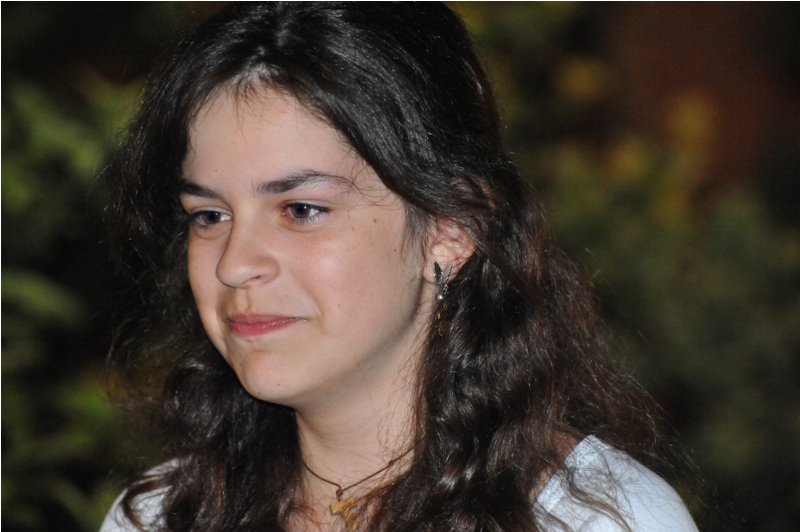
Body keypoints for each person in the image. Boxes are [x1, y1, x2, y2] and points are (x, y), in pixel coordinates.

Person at [101, 3, 699, 531]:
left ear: (452, 228)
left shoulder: (600, 521)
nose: (234, 265)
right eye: (209, 216)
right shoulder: (158, 516)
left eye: (301, 210)